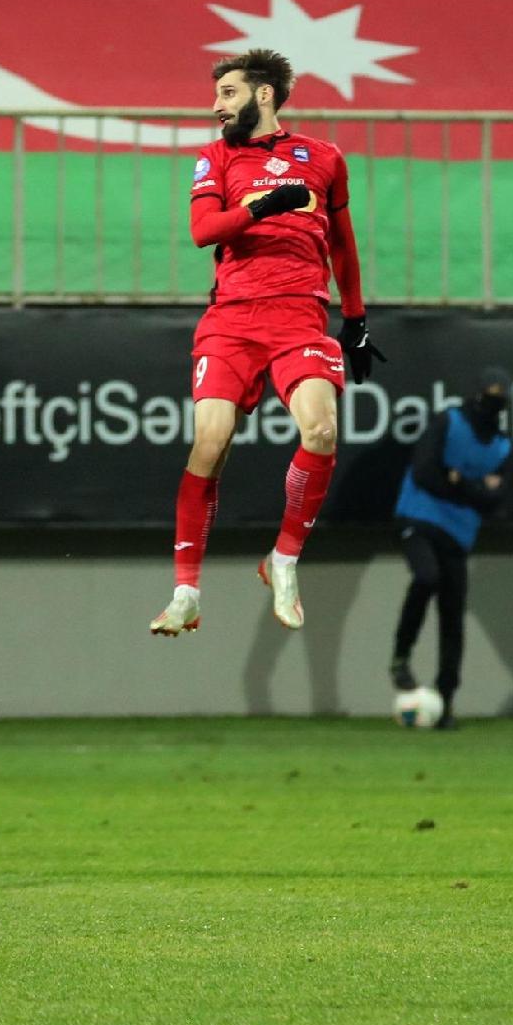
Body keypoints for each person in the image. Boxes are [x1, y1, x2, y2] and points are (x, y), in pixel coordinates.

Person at [150, 48, 382, 637]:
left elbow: (343, 244)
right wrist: (264, 207)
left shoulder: (324, 157)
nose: (216, 105)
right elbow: (203, 231)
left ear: (263, 95)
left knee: (322, 431)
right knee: (210, 442)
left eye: (227, 93)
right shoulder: (215, 157)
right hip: (231, 319)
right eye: (216, 94)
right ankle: (185, 593)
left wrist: (355, 320)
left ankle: (282, 560)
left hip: (299, 316)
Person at [388, 368, 513, 730]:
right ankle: (401, 656)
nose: (493, 405)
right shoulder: (448, 422)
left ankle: (445, 703)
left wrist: (457, 479)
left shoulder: (502, 445)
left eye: (500, 399)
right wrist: (474, 488)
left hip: (458, 534)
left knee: (452, 617)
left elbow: (497, 501)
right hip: (419, 517)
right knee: (426, 577)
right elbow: (424, 473)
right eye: (489, 396)